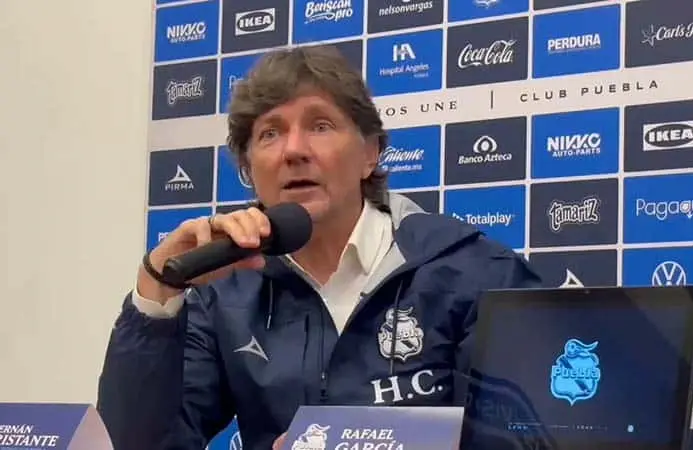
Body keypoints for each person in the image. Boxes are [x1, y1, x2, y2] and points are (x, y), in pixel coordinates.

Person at [96, 45, 541, 450]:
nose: (293, 150)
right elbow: (140, 445)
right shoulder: (225, 294)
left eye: (320, 125)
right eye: (270, 134)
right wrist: (157, 293)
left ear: (370, 154)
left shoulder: (476, 274)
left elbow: (531, 440)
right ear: (249, 169)